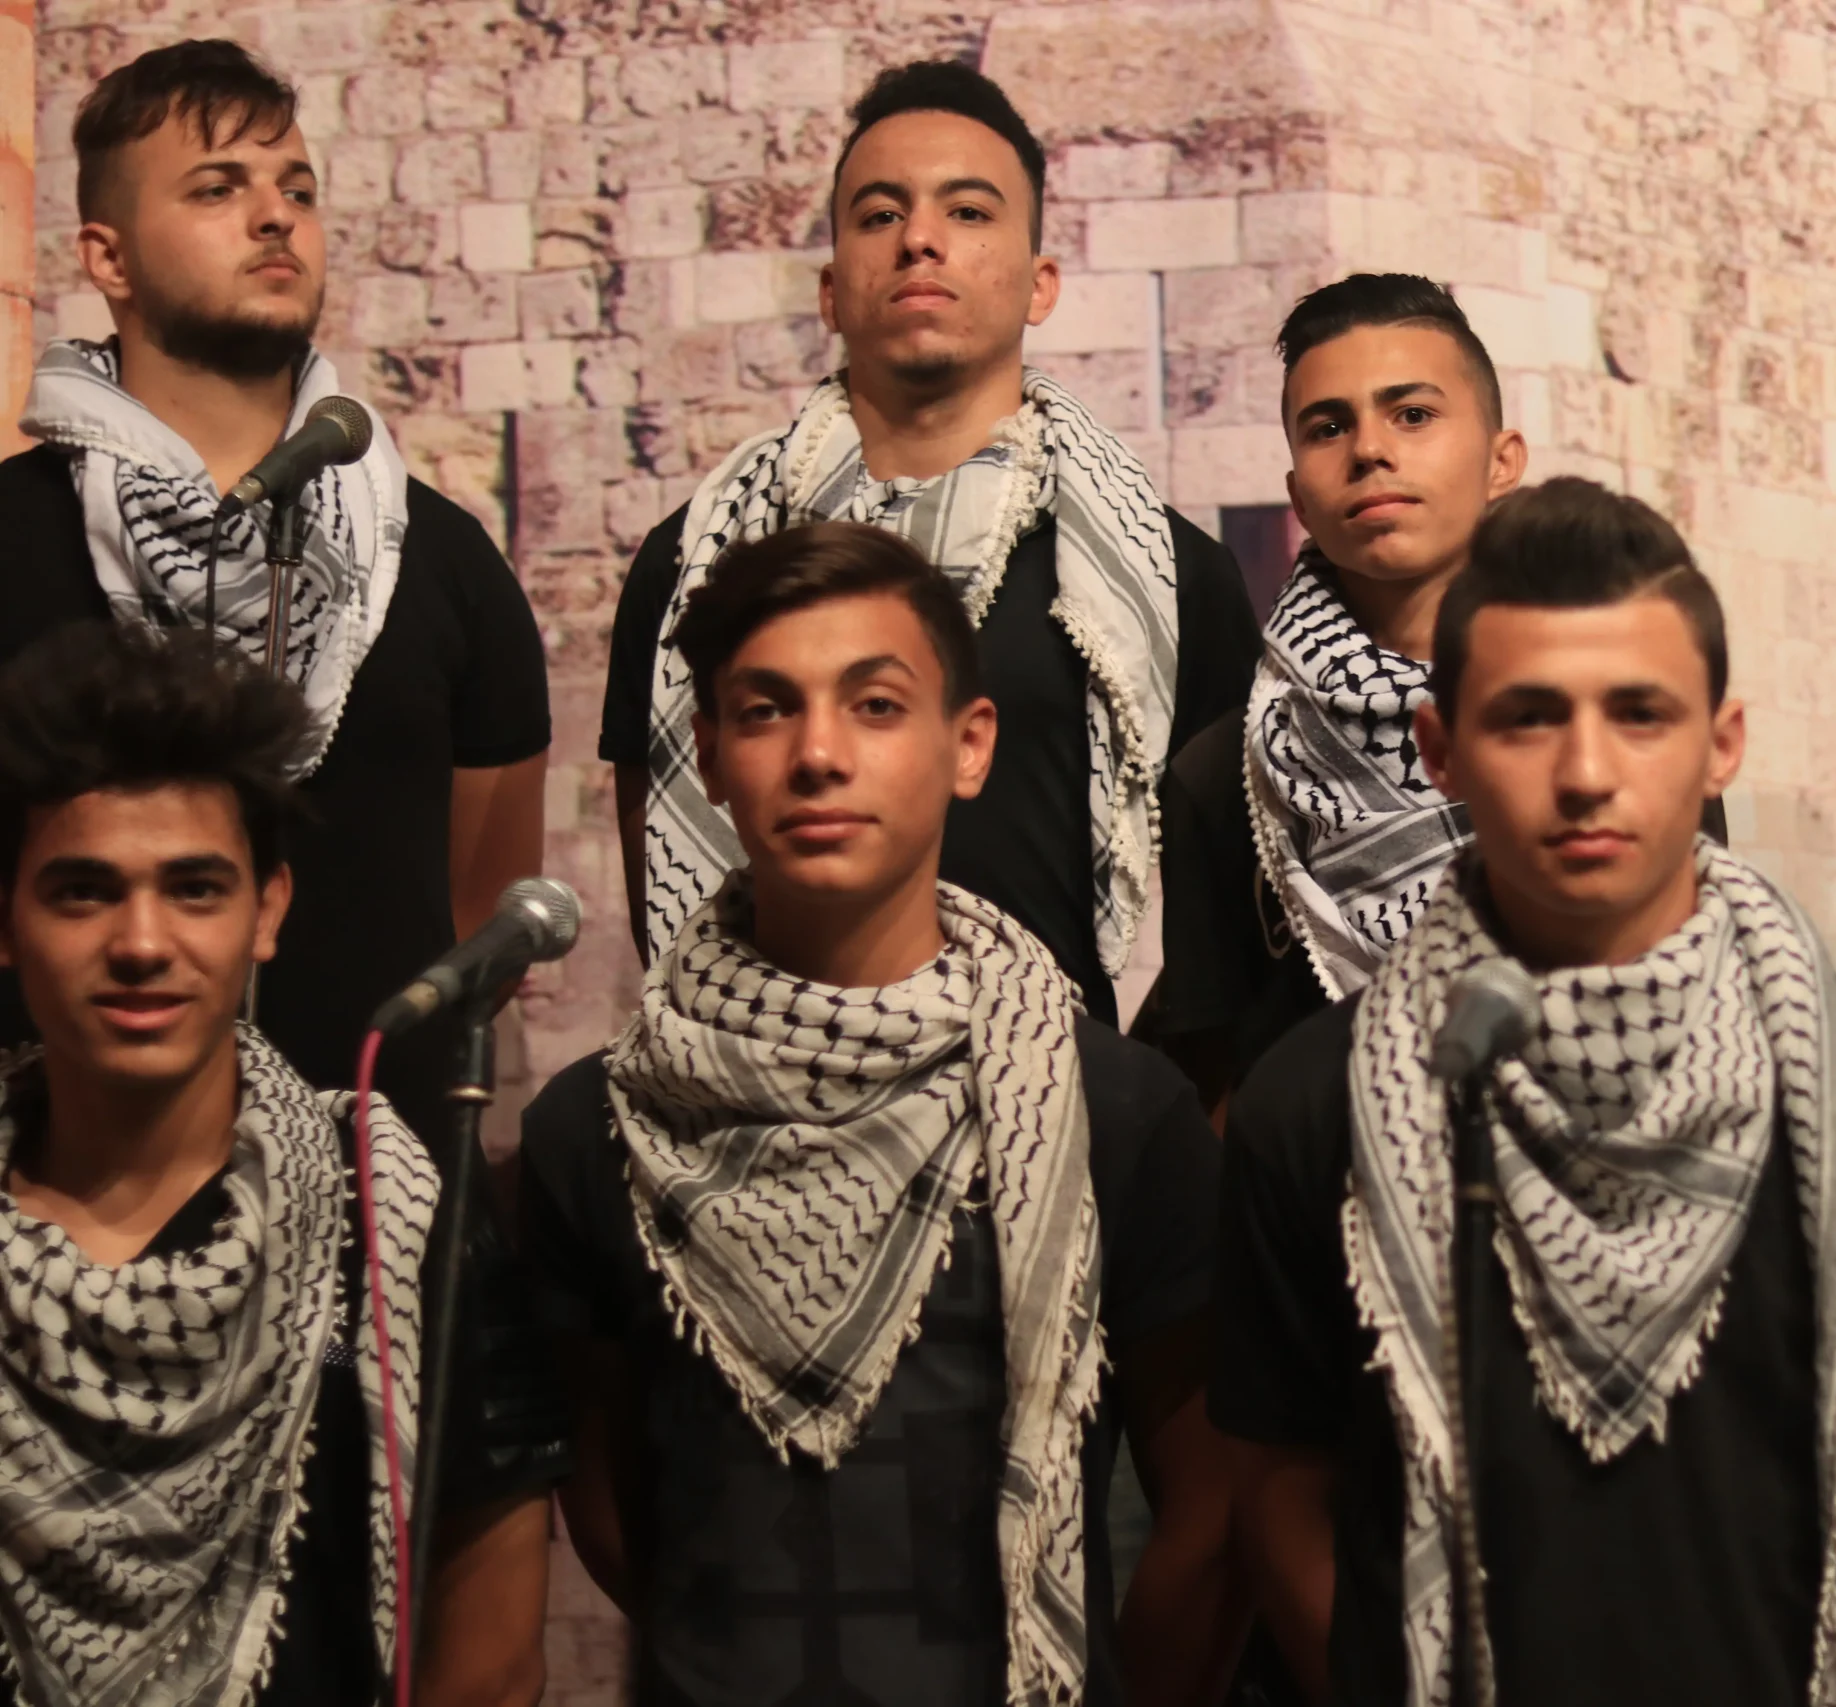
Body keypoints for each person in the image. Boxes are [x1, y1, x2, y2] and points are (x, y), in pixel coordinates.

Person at [1217, 478, 1836, 1706]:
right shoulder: (1311, 1108)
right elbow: (1281, 1502)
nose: (1585, 773)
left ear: (1720, 744)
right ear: (1439, 750)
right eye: (1527, 719)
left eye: (1639, 715)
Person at [524, 522, 1247, 1707]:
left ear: (969, 745)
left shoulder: (1113, 1111)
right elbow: (617, 1513)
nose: (818, 755)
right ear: (708, 755)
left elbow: (1214, 1513)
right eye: (765, 710)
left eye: (874, 706)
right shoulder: (594, 1129)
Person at [602, 59, 1258, 1022]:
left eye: (968, 211)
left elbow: (1226, 923)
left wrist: (1126, 1089)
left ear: (1040, 284)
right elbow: (655, 872)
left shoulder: (1164, 572)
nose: (919, 239)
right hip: (744, 1078)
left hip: (1054, 1087)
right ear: (832, 292)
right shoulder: (698, 561)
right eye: (880, 214)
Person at [0, 622, 566, 1707]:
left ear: (268, 910)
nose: (142, 942)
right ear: (7, 920)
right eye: (83, 891)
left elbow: (491, 1657)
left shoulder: (397, 1213)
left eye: (195, 888)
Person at [0, 40, 551, 1131]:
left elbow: (483, 920)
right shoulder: (10, 536)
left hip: (377, 1183)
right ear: (107, 258)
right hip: (52, 1183)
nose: (274, 218)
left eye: (296, 189)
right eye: (218, 189)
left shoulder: (441, 557)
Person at [1142, 275, 1525, 1115]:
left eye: (1412, 414)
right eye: (1328, 427)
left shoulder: (1617, 720)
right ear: (1298, 499)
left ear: (1502, 461)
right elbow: (1216, 1086)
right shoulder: (1224, 771)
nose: (1370, 450)